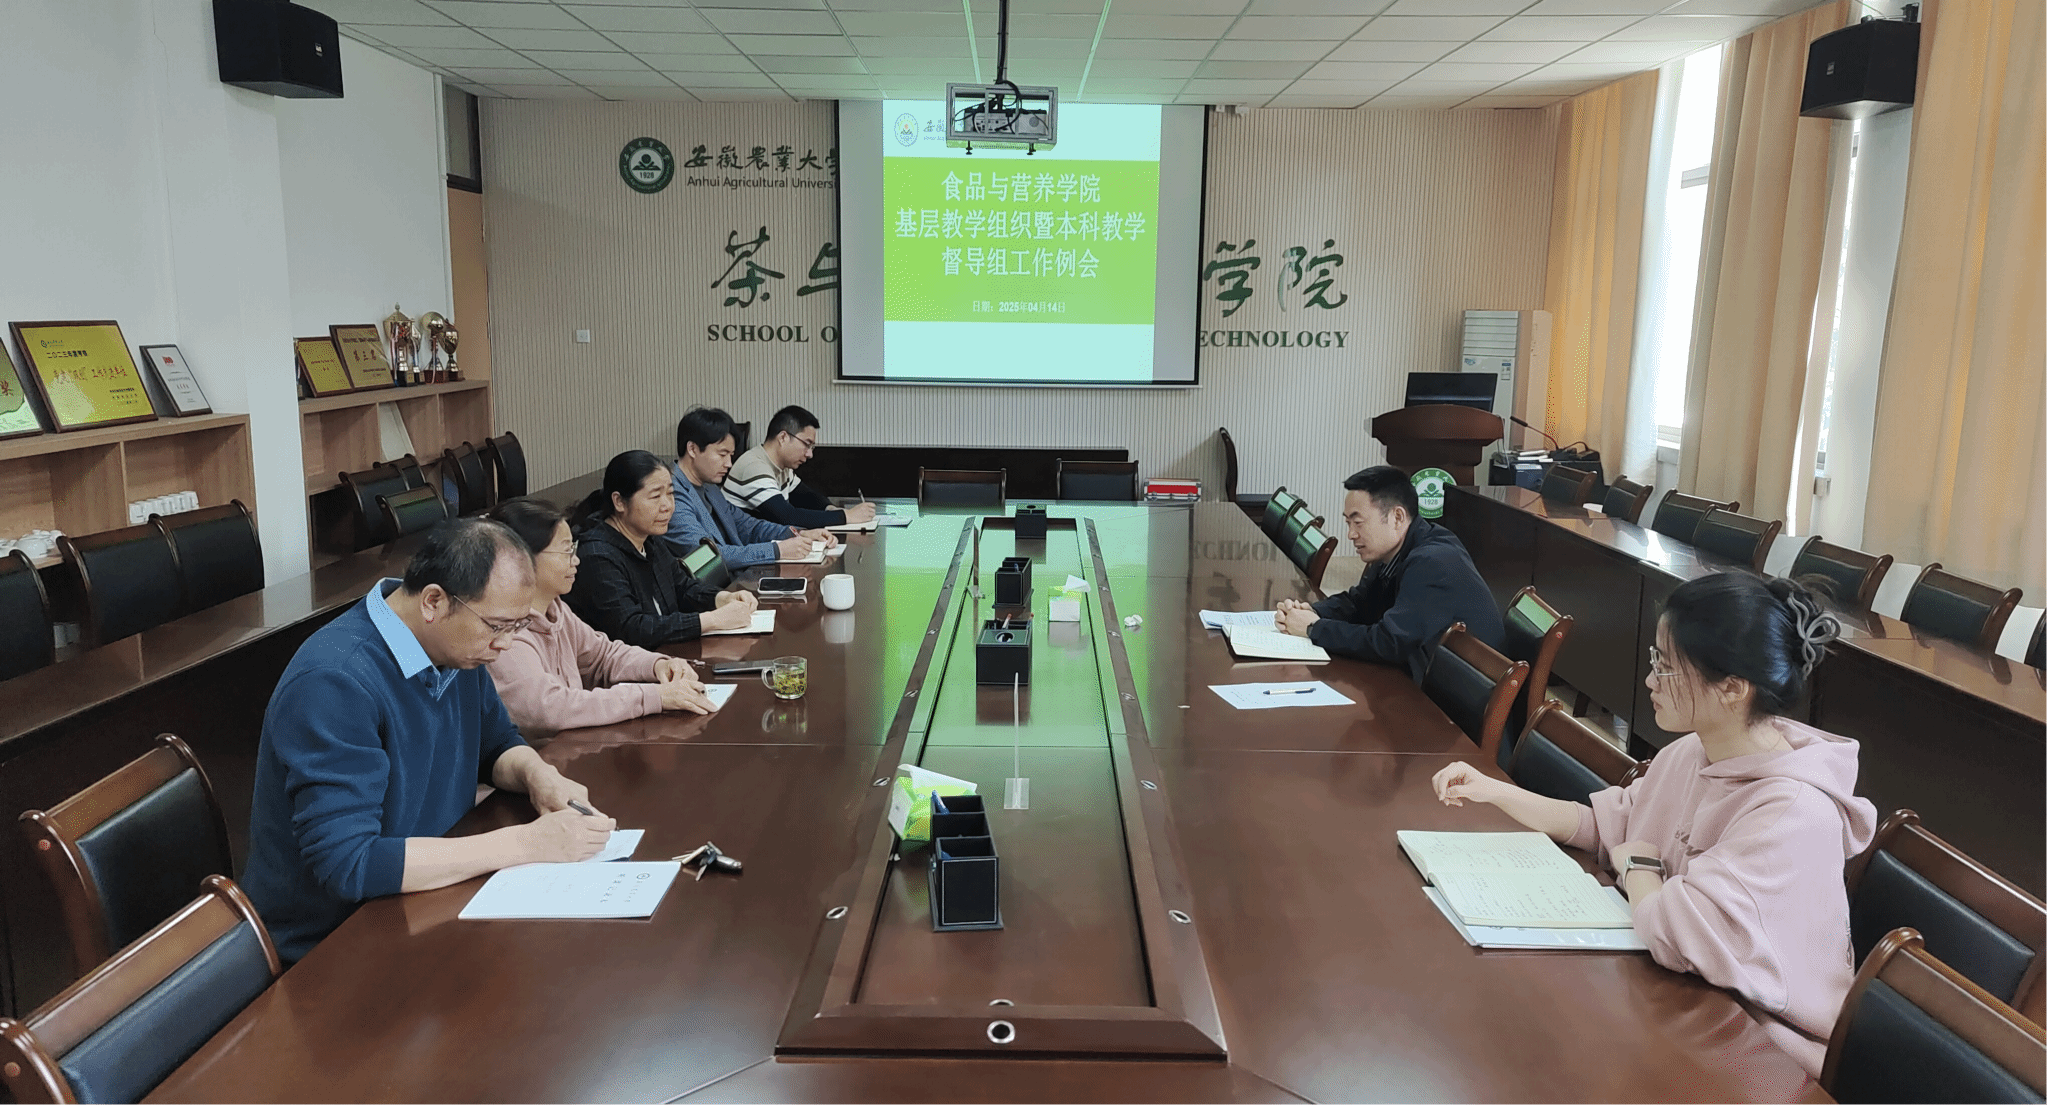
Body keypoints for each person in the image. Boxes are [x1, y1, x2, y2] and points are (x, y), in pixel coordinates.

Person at [1430, 573, 1876, 1077]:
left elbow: (1669, 928)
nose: (1649, 680)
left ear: (1732, 688)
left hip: (1765, 1052)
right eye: (1654, 659)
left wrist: (1640, 865)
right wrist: (1496, 791)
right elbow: (1604, 826)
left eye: (1666, 667)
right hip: (1686, 1002)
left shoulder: (1792, 813)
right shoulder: (1694, 750)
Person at [242, 518, 617, 962]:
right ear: (433, 602)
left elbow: (496, 744)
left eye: (517, 626)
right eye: (497, 626)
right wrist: (527, 844)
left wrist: (539, 775)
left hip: (429, 900)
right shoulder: (334, 681)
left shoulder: (456, 648)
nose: (505, 645)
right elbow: (350, 864)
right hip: (332, 945)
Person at [488, 496, 718, 736]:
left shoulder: (556, 610)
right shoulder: (504, 634)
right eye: (566, 550)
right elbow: (550, 708)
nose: (576, 559)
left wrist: (657, 664)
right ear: (521, 559)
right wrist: (652, 697)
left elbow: (603, 655)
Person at [1275, 465, 1504, 679]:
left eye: (1358, 523)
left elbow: (1389, 642)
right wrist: (1313, 611)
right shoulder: (1396, 549)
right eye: (1348, 523)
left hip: (1454, 697)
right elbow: (1359, 602)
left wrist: (1313, 628)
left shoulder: (1433, 561)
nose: (1351, 535)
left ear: (1397, 517)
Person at [567, 449, 757, 649]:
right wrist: (712, 620)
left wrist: (723, 598)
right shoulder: (597, 555)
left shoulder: (650, 539)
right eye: (655, 496)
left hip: (667, 655)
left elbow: (682, 587)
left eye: (670, 494)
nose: (667, 506)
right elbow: (631, 629)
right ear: (619, 502)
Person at [667, 405, 835, 570]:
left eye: (731, 455)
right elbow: (704, 558)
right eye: (722, 454)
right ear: (693, 449)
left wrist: (799, 533)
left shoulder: (709, 488)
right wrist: (776, 550)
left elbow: (748, 526)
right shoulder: (671, 494)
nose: (729, 464)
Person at [723, 404, 877, 529]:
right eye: (806, 444)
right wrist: (846, 516)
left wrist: (831, 509)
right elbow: (786, 517)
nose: (809, 454)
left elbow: (807, 497)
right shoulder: (754, 466)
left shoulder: (782, 467)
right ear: (783, 437)